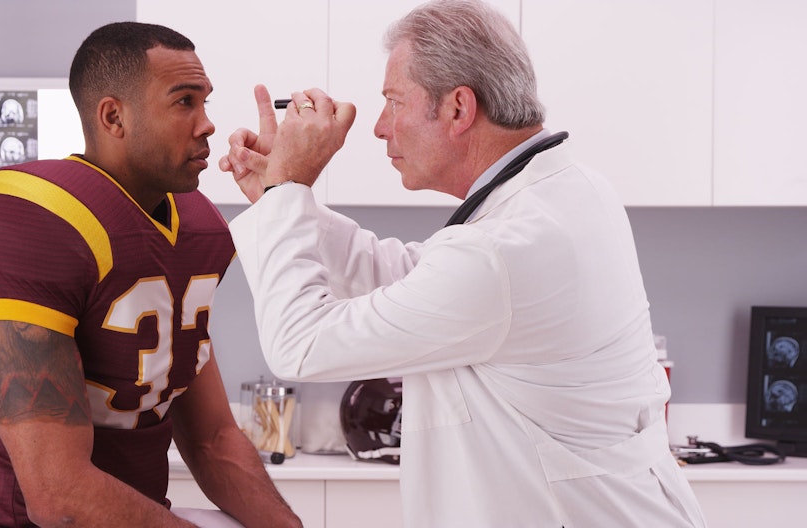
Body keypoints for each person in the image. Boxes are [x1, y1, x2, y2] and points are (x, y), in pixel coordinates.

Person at [219, 0, 707, 526]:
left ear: (457, 108)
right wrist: (279, 200)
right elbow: (414, 280)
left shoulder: (500, 253)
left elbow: (300, 346)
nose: (380, 127)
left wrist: (289, 189)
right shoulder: (571, 193)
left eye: (393, 102)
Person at [0, 22, 301, 528]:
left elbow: (212, 437)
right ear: (114, 117)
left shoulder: (198, 224)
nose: (207, 125)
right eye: (184, 103)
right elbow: (58, 496)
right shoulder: (32, 217)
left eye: (205, 103)